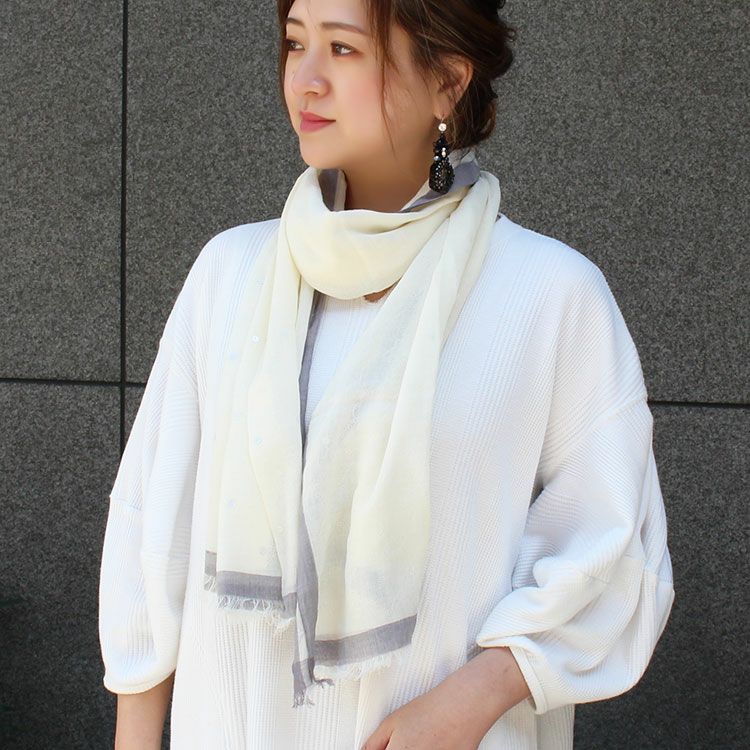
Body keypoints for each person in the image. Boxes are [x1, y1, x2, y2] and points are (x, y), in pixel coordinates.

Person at [97, 0, 676, 748]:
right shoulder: (230, 275)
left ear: (447, 82)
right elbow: (151, 525)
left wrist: (476, 697)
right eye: (295, 44)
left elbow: (614, 545)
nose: (304, 80)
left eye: (343, 49)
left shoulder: (548, 293)